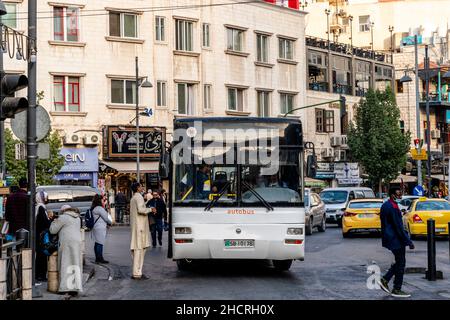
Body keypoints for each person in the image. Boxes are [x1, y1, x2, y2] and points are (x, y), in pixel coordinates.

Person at [378, 187, 415, 298]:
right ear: (393, 195)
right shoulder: (393, 207)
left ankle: (385, 279)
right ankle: (396, 288)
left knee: (399, 261)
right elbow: (398, 227)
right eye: (398, 193)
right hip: (396, 239)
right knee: (401, 263)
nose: (400, 195)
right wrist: (408, 241)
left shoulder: (386, 205)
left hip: (389, 237)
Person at [49, 205, 83, 297]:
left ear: (63, 211)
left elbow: (52, 230)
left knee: (65, 264)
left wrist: (53, 221)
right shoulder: (77, 217)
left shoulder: (63, 217)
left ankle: (64, 288)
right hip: (77, 242)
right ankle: (75, 288)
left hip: (67, 243)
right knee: (75, 265)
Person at [130, 182, 155, 280]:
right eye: (140, 186)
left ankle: (137, 271)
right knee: (139, 249)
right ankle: (137, 272)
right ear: (137, 188)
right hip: (140, 226)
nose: (142, 187)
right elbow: (141, 210)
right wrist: (150, 209)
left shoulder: (133, 198)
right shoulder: (139, 197)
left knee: (137, 249)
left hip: (136, 226)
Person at [35, 191, 53, 282]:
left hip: (39, 234)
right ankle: (40, 275)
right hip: (41, 235)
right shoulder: (41, 208)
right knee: (41, 255)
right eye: (45, 197)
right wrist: (50, 220)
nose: (47, 199)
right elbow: (44, 222)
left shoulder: (39, 207)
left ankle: (39, 274)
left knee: (40, 255)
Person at [91, 194, 112, 264]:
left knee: (97, 243)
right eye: (103, 200)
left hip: (96, 227)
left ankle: (97, 258)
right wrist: (110, 222)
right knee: (100, 243)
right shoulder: (99, 209)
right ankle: (100, 258)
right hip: (100, 228)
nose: (104, 201)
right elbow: (106, 218)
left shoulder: (94, 208)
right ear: (99, 200)